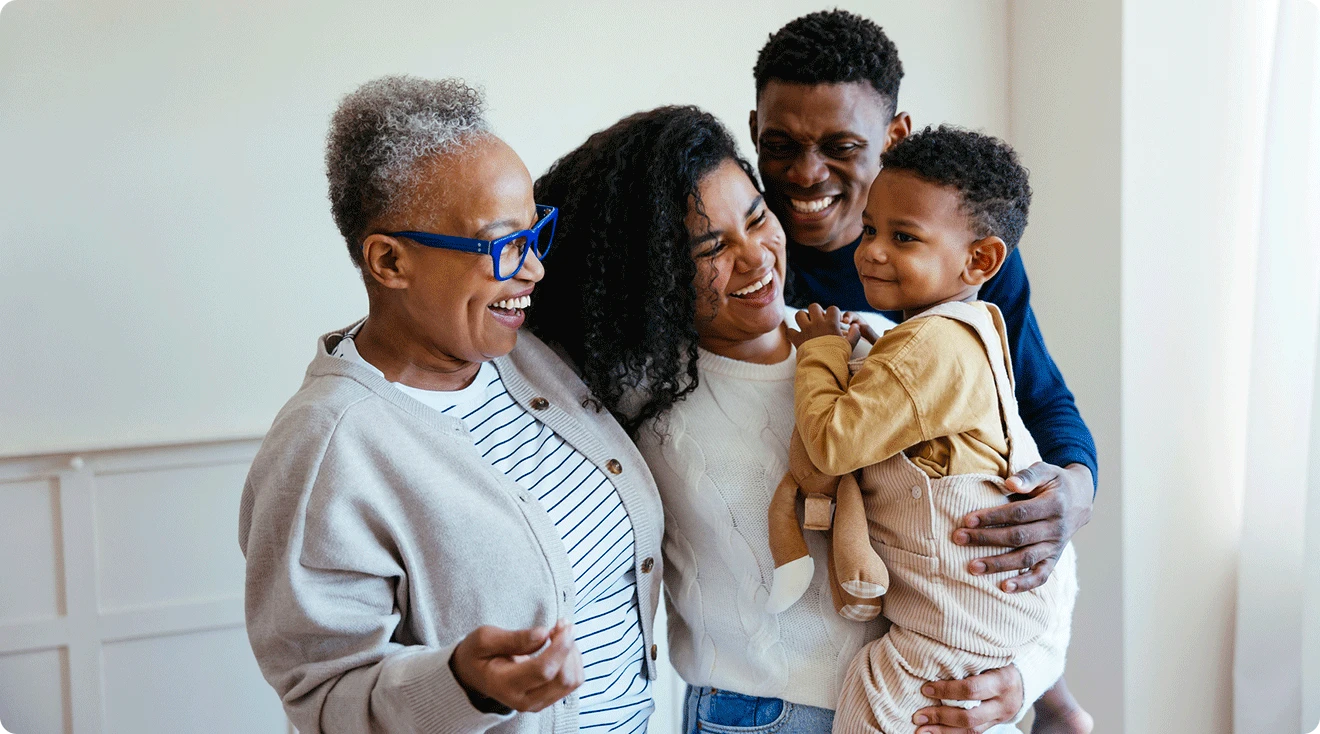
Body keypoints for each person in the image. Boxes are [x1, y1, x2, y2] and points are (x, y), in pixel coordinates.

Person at [527, 106, 1071, 734]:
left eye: (758, 218)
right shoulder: (634, 394)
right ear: (653, 269)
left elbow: (1030, 536)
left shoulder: (883, 349)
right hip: (752, 717)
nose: (754, 257)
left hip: (916, 704)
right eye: (710, 248)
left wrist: (1027, 673)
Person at [239, 76, 662, 734]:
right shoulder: (328, 447)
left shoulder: (528, 357)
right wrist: (464, 685)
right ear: (389, 261)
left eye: (533, 233)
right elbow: (325, 700)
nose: (533, 270)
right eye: (501, 245)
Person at [748, 10, 1097, 596]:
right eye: (779, 145)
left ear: (894, 136)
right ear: (755, 127)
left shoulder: (959, 263)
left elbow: (1040, 401)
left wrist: (1074, 493)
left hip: (947, 588)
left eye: (841, 146)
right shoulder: (744, 258)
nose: (806, 174)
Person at [785, 126, 1090, 733]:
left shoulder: (930, 343)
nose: (870, 251)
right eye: (871, 230)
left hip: (955, 622)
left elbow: (832, 441)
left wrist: (820, 352)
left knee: (875, 702)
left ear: (979, 260)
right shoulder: (970, 331)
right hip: (992, 615)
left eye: (903, 238)